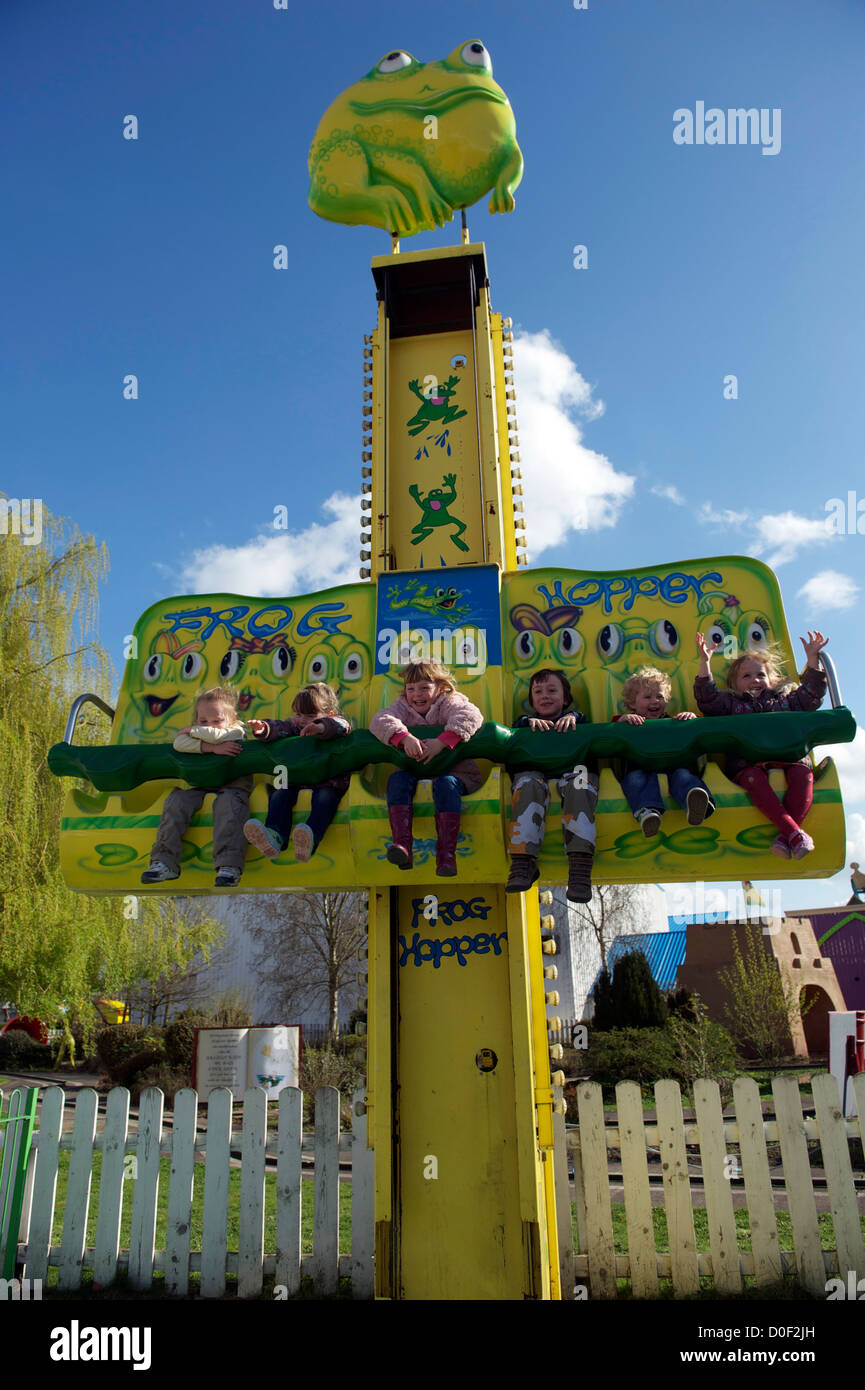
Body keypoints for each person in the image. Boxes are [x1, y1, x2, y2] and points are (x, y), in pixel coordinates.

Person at [694, 630, 829, 859]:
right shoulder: (732, 704)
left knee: (803, 774)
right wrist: (705, 664)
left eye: (760, 674)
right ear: (735, 685)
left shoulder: (785, 700)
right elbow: (708, 701)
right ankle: (794, 832)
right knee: (751, 778)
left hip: (789, 756)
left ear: (771, 679)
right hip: (748, 762)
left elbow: (811, 697)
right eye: (746, 676)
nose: (755, 680)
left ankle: (788, 834)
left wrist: (812, 661)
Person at [370, 660, 482, 877]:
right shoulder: (402, 706)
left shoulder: (448, 701)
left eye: (424, 688)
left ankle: (446, 855)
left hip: (455, 772)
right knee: (396, 780)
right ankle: (403, 846)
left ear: (440, 688)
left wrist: (442, 741)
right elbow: (379, 720)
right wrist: (404, 737)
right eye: (410, 689)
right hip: (416, 771)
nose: (416, 694)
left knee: (446, 784)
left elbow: (471, 715)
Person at [141, 686, 250, 888]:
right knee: (177, 801)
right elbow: (179, 743)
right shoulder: (201, 736)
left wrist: (194, 731)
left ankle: (229, 865)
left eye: (217, 721)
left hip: (232, 785)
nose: (211, 726)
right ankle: (164, 861)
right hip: (203, 785)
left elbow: (222, 736)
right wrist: (210, 749)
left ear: (232, 718)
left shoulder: (237, 730)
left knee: (230, 806)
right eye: (203, 721)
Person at [505, 667, 597, 903]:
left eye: (552, 690)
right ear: (532, 700)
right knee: (527, 783)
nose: (545, 695)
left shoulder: (576, 719)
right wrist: (528, 722)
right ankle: (522, 862)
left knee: (580, 784)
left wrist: (573, 718)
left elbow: (583, 722)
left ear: (565, 699)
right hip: (539, 774)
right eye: (538, 692)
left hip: (573, 771)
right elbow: (516, 730)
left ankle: (579, 867)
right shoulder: (527, 723)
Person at [243, 683, 350, 862]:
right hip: (296, 779)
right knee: (280, 793)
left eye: (310, 716)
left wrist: (320, 727)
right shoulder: (295, 727)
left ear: (329, 714)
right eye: (299, 714)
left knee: (325, 798)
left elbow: (341, 726)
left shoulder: (336, 724)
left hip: (328, 781)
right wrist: (264, 729)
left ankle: (311, 838)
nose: (302, 720)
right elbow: (280, 727)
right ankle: (275, 836)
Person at [613, 665, 714, 836]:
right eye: (648, 697)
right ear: (631, 703)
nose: (655, 701)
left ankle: (696, 804)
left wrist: (690, 718)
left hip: (672, 768)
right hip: (639, 769)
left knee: (683, 776)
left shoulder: (671, 720)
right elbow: (613, 730)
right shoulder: (628, 722)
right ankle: (648, 814)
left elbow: (694, 731)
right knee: (635, 779)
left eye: (660, 696)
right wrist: (623, 720)